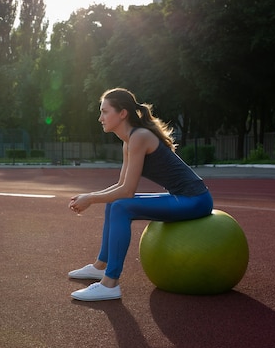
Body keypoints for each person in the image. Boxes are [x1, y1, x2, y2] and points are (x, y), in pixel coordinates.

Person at [68, 88, 213, 301]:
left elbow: (127, 191)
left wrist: (90, 199)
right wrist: (91, 195)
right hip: (182, 197)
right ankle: (101, 266)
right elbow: (121, 185)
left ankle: (110, 284)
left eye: (105, 112)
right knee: (114, 203)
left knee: (120, 206)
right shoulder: (128, 141)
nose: (100, 118)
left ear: (122, 113)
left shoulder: (140, 137)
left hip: (195, 200)